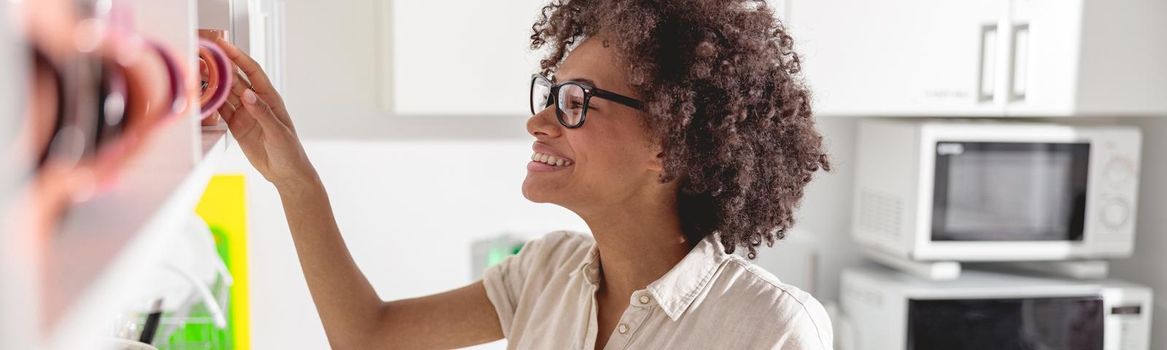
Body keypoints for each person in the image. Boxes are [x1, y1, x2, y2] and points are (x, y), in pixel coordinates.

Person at [216, 0, 832, 348]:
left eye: (576, 100)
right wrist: (296, 183)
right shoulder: (546, 273)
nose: (538, 121)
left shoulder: (768, 329)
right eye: (549, 91)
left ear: (670, 143)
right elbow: (368, 337)